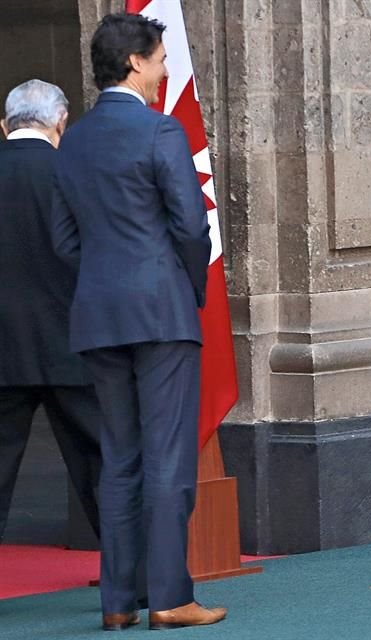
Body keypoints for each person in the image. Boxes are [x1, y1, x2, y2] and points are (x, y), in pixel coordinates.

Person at [49, 14, 226, 630]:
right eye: (158, 59)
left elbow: (64, 240)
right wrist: (186, 289)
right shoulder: (160, 132)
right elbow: (190, 227)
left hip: (99, 315)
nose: (165, 70)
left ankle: (118, 604)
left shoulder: (72, 141)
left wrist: (105, 285)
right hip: (161, 314)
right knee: (169, 460)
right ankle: (171, 598)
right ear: (133, 63)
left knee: (120, 460)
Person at [0, 79, 102, 544]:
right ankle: (134, 587)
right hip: (72, 344)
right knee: (103, 468)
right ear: (62, 122)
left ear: (5, 126)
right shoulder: (76, 174)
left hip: (3, 349)